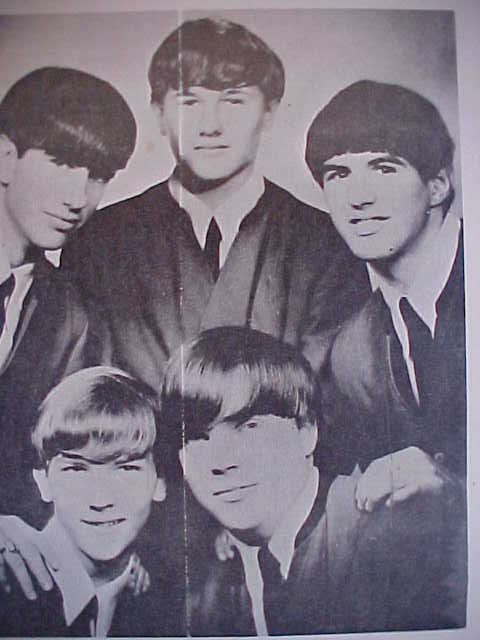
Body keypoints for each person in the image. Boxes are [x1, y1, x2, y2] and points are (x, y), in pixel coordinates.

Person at [61, 16, 353, 391]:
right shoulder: (99, 242)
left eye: (233, 100)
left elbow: (327, 398)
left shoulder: (325, 243)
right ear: (159, 113)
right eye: (190, 101)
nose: (210, 125)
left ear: (270, 112)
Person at [159, 326, 465, 636]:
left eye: (249, 426)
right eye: (197, 437)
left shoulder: (387, 529)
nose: (222, 461)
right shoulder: (207, 600)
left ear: (307, 432)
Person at [304, 80, 466, 510]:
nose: (358, 198)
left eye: (385, 168)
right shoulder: (352, 349)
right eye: (339, 174)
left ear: (438, 185)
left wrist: (459, 490)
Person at [0, 66, 137, 526]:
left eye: (97, 175)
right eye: (60, 162)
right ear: (5, 158)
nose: (77, 197)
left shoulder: (72, 316)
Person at [0, 366, 185, 637]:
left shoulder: (173, 603)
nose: (101, 500)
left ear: (161, 482)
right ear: (42, 481)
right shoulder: (8, 579)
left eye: (126, 468)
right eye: (76, 469)